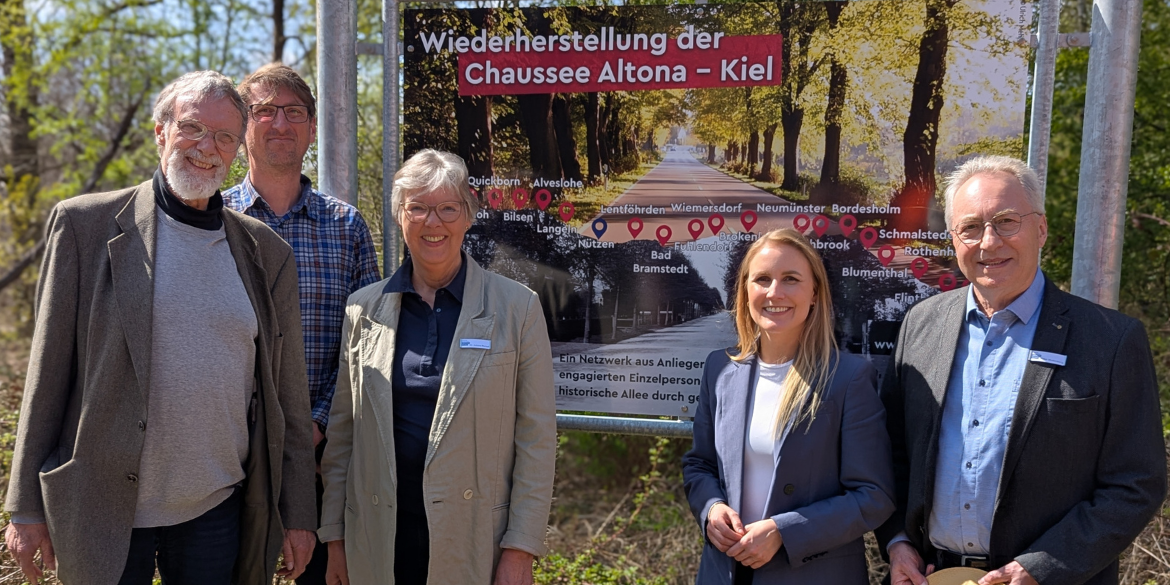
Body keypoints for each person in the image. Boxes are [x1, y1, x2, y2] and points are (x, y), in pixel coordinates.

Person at [2, 70, 318, 585]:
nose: (206, 148)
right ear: (160, 132)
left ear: (238, 149)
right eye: (193, 128)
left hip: (216, 510)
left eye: (223, 137)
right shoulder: (86, 226)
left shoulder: (267, 253)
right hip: (102, 507)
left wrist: (298, 512)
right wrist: (25, 506)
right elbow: (47, 374)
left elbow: (289, 394)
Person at [876, 155, 1166, 585]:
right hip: (930, 575)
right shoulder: (922, 324)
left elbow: (1136, 483)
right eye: (970, 228)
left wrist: (1042, 567)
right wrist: (897, 540)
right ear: (953, 239)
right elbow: (891, 453)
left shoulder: (1110, 340)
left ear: (1041, 229)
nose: (989, 243)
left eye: (1007, 221)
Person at [318, 149, 556, 585]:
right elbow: (342, 438)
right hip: (377, 536)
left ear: (468, 217)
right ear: (399, 217)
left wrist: (521, 548)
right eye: (419, 208)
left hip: (475, 540)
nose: (434, 222)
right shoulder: (362, 310)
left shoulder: (517, 308)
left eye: (448, 208)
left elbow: (537, 440)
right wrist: (335, 538)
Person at [223, 62, 381, 585]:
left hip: (320, 457)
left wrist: (313, 426)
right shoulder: (209, 218)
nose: (280, 123)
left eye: (294, 112)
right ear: (244, 125)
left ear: (312, 128)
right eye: (264, 111)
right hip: (226, 459)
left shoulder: (346, 226)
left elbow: (369, 343)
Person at [682, 228, 896, 584]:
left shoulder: (850, 378)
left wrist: (785, 531)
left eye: (790, 279)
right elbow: (699, 464)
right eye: (762, 279)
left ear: (814, 293)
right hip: (725, 573)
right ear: (745, 290)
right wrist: (711, 509)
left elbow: (874, 496)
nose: (774, 292)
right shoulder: (719, 369)